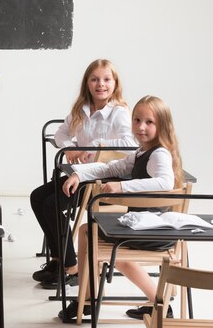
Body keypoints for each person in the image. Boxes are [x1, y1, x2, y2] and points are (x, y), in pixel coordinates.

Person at [59, 95, 183, 321]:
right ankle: (92, 298)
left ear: (162, 125)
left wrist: (121, 185)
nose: (140, 127)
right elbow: (110, 167)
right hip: (142, 227)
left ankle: (90, 299)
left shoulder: (159, 154)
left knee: (95, 236)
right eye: (136, 120)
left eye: (149, 122)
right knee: (88, 232)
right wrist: (79, 173)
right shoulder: (141, 152)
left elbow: (165, 182)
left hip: (152, 229)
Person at [29, 59, 137, 289]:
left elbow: (130, 144)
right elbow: (60, 134)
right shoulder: (81, 109)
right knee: (37, 197)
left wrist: (96, 146)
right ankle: (59, 259)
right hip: (82, 173)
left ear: (115, 83)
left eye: (107, 79)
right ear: (87, 83)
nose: (101, 84)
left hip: (106, 177)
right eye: (95, 79)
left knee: (52, 204)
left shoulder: (118, 112)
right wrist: (70, 148)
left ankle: (71, 267)